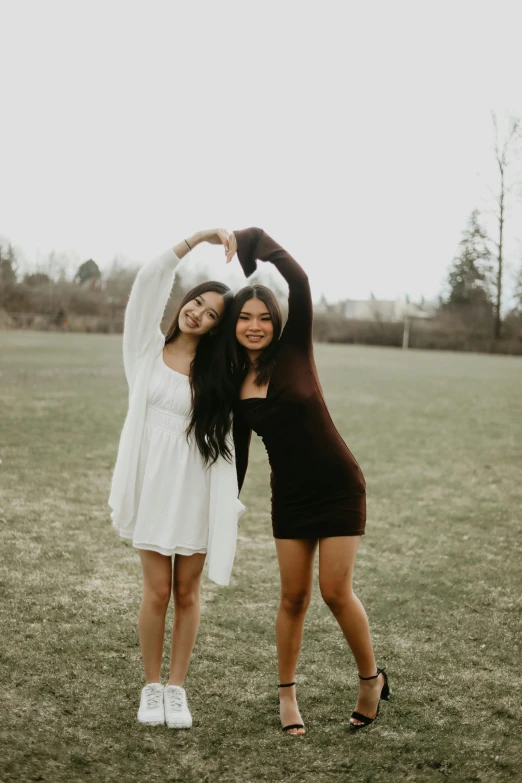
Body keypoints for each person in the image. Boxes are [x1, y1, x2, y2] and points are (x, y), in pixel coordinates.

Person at [225, 228, 390, 735]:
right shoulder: (231, 382)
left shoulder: (296, 348)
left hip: (339, 484)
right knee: (292, 597)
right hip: (291, 496)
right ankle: (287, 696)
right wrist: (223, 508)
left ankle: (371, 680)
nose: (255, 326)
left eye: (264, 318)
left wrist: (251, 239)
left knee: (336, 591)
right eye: (245, 318)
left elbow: (297, 278)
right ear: (233, 325)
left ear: (277, 323)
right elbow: (240, 455)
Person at [109, 229, 244, 729]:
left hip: (197, 489)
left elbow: (270, 328)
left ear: (216, 328)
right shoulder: (144, 351)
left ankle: (177, 690)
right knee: (156, 592)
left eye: (213, 315)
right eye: (198, 303)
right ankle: (150, 687)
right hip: (152, 485)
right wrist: (201, 238)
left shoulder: (222, 370)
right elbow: (148, 282)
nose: (200, 314)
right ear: (185, 299)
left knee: (187, 592)